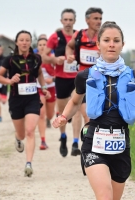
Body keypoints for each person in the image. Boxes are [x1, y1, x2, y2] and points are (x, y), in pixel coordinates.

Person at [53, 21, 135, 200]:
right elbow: (75, 102)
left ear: (122, 45)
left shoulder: (134, 77)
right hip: (94, 142)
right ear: (98, 44)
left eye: (116, 40)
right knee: (105, 195)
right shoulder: (85, 76)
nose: (111, 44)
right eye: (107, 40)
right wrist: (63, 116)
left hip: (121, 144)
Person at [0, 30, 50, 177]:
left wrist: (44, 88)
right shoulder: (10, 60)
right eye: (22, 40)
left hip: (32, 98)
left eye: (27, 40)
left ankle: (28, 164)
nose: (25, 42)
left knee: (30, 130)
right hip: (16, 99)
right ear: (17, 42)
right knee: (21, 134)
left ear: (30, 42)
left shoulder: (37, 58)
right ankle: (18, 139)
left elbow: (39, 74)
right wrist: (9, 80)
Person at [43, 8, 82, 157]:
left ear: (74, 21)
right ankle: (64, 137)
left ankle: (75, 143)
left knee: (77, 108)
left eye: (70, 20)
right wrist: (54, 59)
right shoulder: (55, 37)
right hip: (61, 78)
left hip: (76, 78)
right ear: (61, 21)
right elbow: (43, 56)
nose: (68, 23)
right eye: (65, 20)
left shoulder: (79, 36)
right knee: (62, 112)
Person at [65, 7, 103, 126]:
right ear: (87, 20)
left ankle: (92, 140)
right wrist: (69, 56)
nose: (99, 21)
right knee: (87, 116)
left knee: (97, 117)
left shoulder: (104, 36)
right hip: (83, 80)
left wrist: (104, 55)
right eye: (95, 18)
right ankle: (88, 142)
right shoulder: (79, 34)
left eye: (100, 19)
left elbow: (114, 55)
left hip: (100, 81)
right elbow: (69, 46)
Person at [36, 37, 56, 150]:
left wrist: (52, 80)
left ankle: (49, 120)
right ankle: (43, 141)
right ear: (37, 47)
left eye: (45, 44)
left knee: (49, 115)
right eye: (40, 44)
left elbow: (60, 74)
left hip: (51, 88)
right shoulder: (34, 59)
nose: (42, 46)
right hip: (39, 88)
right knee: (41, 114)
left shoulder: (52, 58)